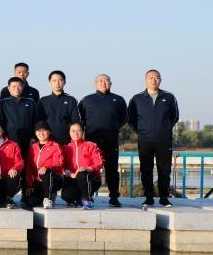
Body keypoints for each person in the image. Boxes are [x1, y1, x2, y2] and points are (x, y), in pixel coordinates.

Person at [128, 69, 179, 208]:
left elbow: (174, 117)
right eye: (151, 78)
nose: (154, 80)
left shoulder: (169, 97)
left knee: (164, 170)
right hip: (145, 140)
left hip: (164, 140)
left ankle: (164, 198)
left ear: (160, 80)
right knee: (146, 170)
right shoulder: (137, 98)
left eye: (157, 77)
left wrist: (164, 129)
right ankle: (149, 198)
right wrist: (141, 131)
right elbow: (131, 119)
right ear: (146, 80)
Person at [78, 74, 127, 207]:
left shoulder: (118, 99)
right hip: (92, 142)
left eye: (106, 81)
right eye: (100, 81)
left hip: (111, 140)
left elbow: (123, 118)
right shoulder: (86, 100)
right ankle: (88, 195)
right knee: (90, 169)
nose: (103, 83)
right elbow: (80, 120)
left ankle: (114, 196)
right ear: (95, 83)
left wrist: (113, 127)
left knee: (112, 169)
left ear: (111, 83)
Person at [61, 121, 104, 208]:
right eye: (73, 131)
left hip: (91, 178)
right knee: (67, 196)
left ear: (83, 132)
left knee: (81, 173)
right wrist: (70, 174)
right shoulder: (66, 148)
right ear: (69, 132)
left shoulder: (91, 146)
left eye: (78, 130)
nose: (75, 133)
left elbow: (100, 162)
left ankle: (87, 199)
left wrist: (88, 168)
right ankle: (79, 198)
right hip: (73, 178)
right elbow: (61, 166)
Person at [25, 122, 64, 209]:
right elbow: (29, 167)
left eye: (44, 130)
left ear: (49, 132)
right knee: (30, 202)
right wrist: (30, 185)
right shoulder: (33, 147)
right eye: (38, 130)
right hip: (38, 181)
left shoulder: (55, 146)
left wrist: (47, 167)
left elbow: (59, 163)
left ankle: (48, 198)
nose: (41, 133)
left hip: (53, 179)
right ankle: (45, 195)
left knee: (46, 173)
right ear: (35, 133)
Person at [0, 77, 38, 160]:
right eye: (13, 86)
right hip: (10, 137)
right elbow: (1, 121)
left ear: (22, 87)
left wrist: (34, 137)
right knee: (12, 160)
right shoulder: (3, 102)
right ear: (9, 88)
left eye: (19, 86)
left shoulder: (30, 102)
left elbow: (35, 121)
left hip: (28, 138)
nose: (17, 88)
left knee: (27, 160)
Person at [39, 70, 78, 145]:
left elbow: (75, 121)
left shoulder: (71, 100)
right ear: (50, 82)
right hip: (47, 140)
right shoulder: (43, 100)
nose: (57, 83)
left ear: (64, 82)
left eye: (60, 80)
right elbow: (39, 122)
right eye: (54, 80)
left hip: (67, 140)